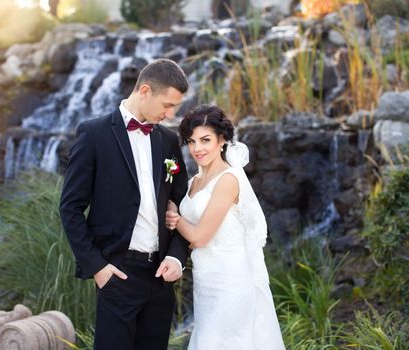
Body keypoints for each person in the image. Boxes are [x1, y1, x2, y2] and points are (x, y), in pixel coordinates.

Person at [59, 58, 190, 350]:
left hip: (161, 276)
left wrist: (177, 257)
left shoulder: (169, 141)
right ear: (145, 90)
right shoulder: (94, 134)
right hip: (117, 273)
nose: (170, 115)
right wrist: (97, 267)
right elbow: (70, 207)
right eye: (167, 106)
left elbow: (182, 202)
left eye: (175, 109)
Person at [166, 105, 285, 349]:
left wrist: (175, 218)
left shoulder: (228, 180)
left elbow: (199, 237)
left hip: (231, 281)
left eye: (205, 140)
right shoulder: (193, 182)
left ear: (222, 140)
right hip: (206, 281)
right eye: (191, 141)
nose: (197, 148)